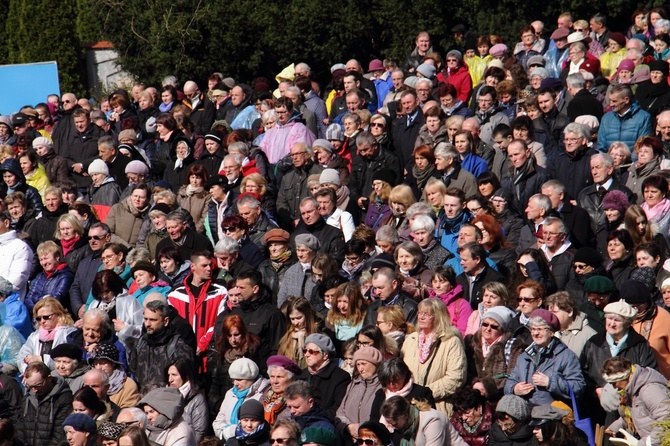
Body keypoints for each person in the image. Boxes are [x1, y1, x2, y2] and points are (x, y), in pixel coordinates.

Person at [505, 309, 585, 406]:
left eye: (540, 329)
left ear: (551, 332)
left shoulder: (567, 356)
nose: (535, 333)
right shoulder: (524, 357)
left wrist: (550, 382)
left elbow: (578, 387)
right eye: (533, 329)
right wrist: (514, 388)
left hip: (554, 416)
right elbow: (510, 381)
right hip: (526, 417)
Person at [401, 298, 466, 415]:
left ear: (438, 317)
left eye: (426, 314)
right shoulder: (410, 339)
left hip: (437, 407)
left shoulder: (451, 341)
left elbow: (456, 378)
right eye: (420, 313)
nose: (421, 317)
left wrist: (425, 393)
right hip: (409, 407)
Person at [125, 299, 195, 388]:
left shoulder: (178, 347)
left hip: (168, 399)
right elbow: (132, 371)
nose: (148, 324)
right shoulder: (139, 344)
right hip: (143, 398)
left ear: (165, 321)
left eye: (153, 320)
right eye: (146, 319)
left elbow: (188, 382)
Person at [602, 356, 670, 445]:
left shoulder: (650, 390)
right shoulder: (631, 391)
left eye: (613, 383)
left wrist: (646, 443)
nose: (614, 387)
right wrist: (616, 427)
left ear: (623, 377)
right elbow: (635, 414)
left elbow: (666, 419)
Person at [465, 306, 525, 402]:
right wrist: (474, 383)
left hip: (497, 401)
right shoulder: (470, 342)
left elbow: (511, 376)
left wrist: (486, 387)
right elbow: (464, 370)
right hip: (472, 398)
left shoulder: (513, 346)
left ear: (502, 329)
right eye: (485, 324)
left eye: (494, 326)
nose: (488, 329)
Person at [619, 278, 670, 379]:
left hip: (662, 380)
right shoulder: (619, 321)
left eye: (639, 306)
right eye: (631, 307)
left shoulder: (663, 317)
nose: (636, 310)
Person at [15, 362, 73, 446]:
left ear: (49, 378)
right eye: (31, 386)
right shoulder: (28, 397)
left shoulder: (63, 398)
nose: (34, 390)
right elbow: (20, 426)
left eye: (38, 385)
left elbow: (59, 432)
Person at [213, 357, 270, 441]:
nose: (235, 383)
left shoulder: (263, 394)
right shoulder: (230, 394)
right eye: (233, 380)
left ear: (251, 378)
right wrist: (226, 433)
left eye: (239, 379)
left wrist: (234, 431)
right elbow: (218, 422)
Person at [335, 346, 383, 444]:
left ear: (375, 364)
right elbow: (340, 412)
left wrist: (362, 429)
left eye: (364, 364)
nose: (360, 369)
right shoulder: (354, 384)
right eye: (358, 364)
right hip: (350, 440)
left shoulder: (383, 387)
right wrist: (348, 427)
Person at [297, 333, 351, 420]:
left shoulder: (340, 377)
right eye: (305, 351)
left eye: (311, 351)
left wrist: (315, 418)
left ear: (325, 355)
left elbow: (338, 408)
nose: (306, 355)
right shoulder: (301, 375)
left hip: (325, 423)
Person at [17, 297, 79, 373]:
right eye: (39, 318)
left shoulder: (69, 333)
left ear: (58, 314)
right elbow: (21, 356)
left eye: (46, 317)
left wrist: (41, 359)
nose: (42, 321)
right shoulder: (35, 336)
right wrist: (28, 372)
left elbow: (69, 360)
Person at [380, 396, 468, 446]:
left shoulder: (432, 420)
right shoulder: (408, 427)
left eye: (394, 424)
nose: (392, 427)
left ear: (405, 416)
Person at [88, 270, 143, 340]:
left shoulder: (130, 301)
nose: (104, 296)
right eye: (101, 292)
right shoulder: (94, 305)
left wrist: (126, 328)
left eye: (107, 291)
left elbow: (141, 330)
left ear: (114, 287)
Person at [25, 241, 74, 314]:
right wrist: (37, 311)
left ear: (57, 257)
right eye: (41, 259)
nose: (44, 262)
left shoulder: (65, 275)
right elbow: (28, 299)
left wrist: (37, 299)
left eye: (46, 258)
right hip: (37, 317)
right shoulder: (39, 276)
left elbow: (56, 298)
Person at [166, 358, 208, 443]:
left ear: (185, 376)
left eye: (174, 375)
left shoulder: (197, 400)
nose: (170, 379)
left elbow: (199, 433)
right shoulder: (165, 396)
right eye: (169, 375)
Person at [88, 342, 139, 409]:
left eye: (103, 363)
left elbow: (128, 413)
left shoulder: (128, 385)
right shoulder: (88, 382)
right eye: (95, 363)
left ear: (113, 363)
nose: (98, 367)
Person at [546, 291, 597, 358]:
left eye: (555, 312)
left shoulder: (589, 335)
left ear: (570, 312)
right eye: (549, 312)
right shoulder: (546, 332)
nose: (551, 316)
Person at [276, 234, 320, 309]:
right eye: (297, 250)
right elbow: (281, 297)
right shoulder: (291, 271)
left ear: (312, 251)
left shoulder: (320, 270)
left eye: (303, 251)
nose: (299, 254)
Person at [278, 297, 322, 369]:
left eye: (299, 318)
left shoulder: (319, 337)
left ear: (307, 315)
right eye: (292, 319)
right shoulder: (287, 337)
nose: (295, 323)